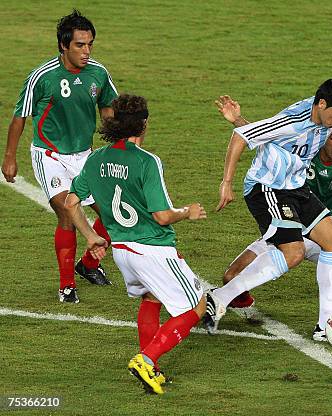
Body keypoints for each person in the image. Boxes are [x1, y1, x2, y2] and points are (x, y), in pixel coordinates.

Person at [209, 80, 332, 336]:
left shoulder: (330, 114)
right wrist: (227, 183)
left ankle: (325, 326)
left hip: (296, 187)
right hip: (267, 187)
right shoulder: (292, 120)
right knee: (293, 252)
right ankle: (222, 297)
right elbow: (240, 136)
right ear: (321, 104)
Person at [65, 94, 217, 394]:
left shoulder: (95, 159)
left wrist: (92, 236)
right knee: (196, 306)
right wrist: (188, 212)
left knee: (151, 298)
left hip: (122, 252)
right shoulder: (147, 162)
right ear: (144, 123)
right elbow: (161, 216)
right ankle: (147, 359)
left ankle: (152, 370)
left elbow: (71, 203)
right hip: (153, 250)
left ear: (115, 122)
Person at [2, 10, 118, 303]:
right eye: (80, 45)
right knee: (67, 211)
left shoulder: (98, 73)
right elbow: (20, 116)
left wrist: (116, 137)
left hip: (86, 156)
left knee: (114, 214)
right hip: (50, 155)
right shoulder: (42, 77)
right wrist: (10, 157)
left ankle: (88, 265)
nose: (87, 51)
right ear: (63, 46)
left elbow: (107, 107)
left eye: (90, 44)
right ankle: (66, 285)